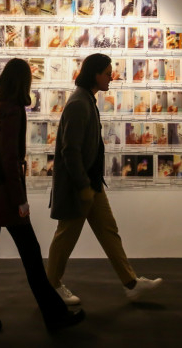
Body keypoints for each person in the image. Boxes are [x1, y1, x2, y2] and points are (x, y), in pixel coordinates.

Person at [0, 58, 84, 333]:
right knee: (31, 256)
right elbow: (9, 160)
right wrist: (20, 201)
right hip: (4, 196)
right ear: (23, 82)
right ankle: (55, 316)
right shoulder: (12, 110)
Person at [47, 53, 163, 304]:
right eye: (108, 73)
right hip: (80, 186)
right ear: (95, 74)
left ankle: (131, 283)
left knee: (108, 231)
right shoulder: (79, 103)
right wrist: (82, 185)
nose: (112, 77)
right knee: (66, 236)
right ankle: (51, 286)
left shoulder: (87, 100)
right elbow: (70, 150)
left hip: (91, 183)